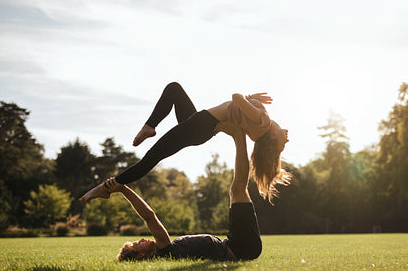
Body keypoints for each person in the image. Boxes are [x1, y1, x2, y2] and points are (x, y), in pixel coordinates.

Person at [80, 82, 290, 203]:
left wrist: (248, 97)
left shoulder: (263, 122)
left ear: (272, 137)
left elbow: (235, 97)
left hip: (200, 126)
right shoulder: (260, 127)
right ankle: (150, 126)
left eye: (283, 140)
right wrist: (250, 100)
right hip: (199, 124)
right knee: (174, 89)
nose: (287, 135)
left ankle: (107, 187)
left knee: (150, 159)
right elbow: (237, 115)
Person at [83, 121, 263, 261]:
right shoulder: (164, 249)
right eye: (138, 244)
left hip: (239, 245)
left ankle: (241, 136)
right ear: (141, 256)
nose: (143, 240)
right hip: (240, 247)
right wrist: (123, 189)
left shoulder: (168, 250)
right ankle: (239, 136)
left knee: (238, 189)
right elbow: (149, 216)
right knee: (237, 189)